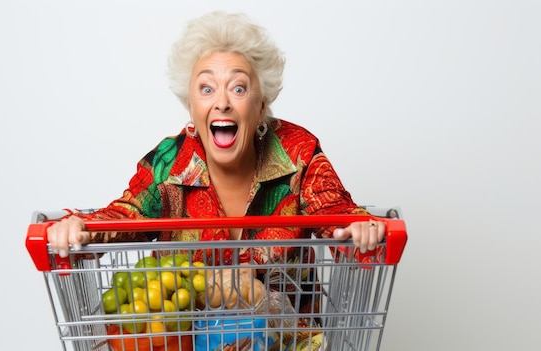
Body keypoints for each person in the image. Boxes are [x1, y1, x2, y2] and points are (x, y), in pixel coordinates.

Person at [48, 10, 384, 278]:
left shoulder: (298, 151)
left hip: (287, 339)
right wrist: (82, 228)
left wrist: (358, 227)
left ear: (262, 103)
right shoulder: (169, 161)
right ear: (191, 106)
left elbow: (334, 210)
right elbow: (124, 216)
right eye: (207, 89)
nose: (222, 102)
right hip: (187, 338)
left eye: (238, 88)